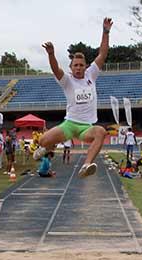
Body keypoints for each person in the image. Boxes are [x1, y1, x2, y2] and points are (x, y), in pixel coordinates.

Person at [34, 17, 113, 178]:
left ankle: (86, 165)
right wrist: (51, 54)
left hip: (86, 127)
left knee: (101, 132)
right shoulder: (67, 80)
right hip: (69, 124)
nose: (78, 68)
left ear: (85, 66)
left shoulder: (91, 74)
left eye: (81, 65)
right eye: (75, 65)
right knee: (43, 141)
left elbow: (103, 54)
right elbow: (56, 69)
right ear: (71, 68)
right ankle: (46, 148)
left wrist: (105, 31)